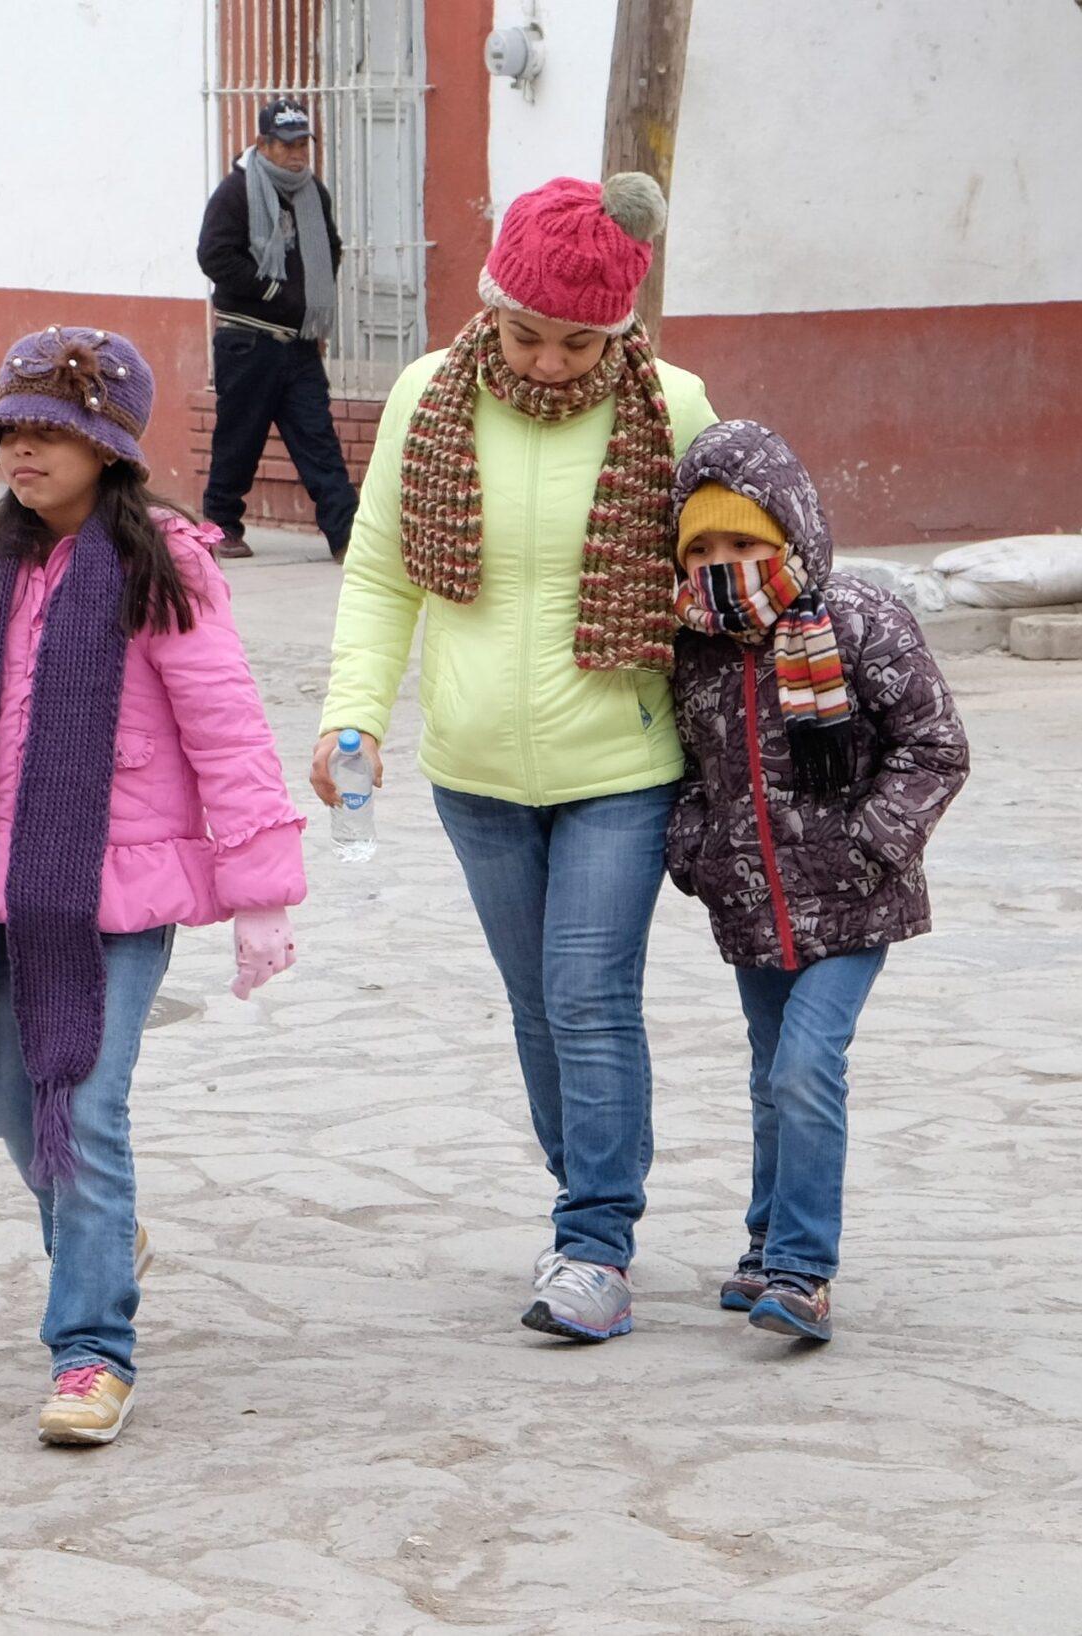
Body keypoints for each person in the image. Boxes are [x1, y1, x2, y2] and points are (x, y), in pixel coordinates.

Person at [0, 326, 306, 1445]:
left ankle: (90, 1349)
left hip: (120, 896)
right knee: (20, 1111)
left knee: (87, 1105)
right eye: (8, 430)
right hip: (2, 889)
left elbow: (227, 727)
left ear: (106, 446)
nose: (22, 451)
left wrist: (260, 892)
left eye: (48, 431)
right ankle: (101, 1236)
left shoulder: (164, 563)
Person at [311, 173, 718, 1343]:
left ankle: (594, 1238)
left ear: (621, 331)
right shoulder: (425, 398)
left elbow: (733, 553)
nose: (547, 360)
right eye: (526, 332)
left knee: (588, 993)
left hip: (622, 760)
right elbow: (382, 567)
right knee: (537, 1006)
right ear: (489, 307)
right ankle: (588, 1191)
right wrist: (356, 716)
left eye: (578, 340)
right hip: (475, 766)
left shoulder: (674, 407)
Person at [664, 420, 970, 1343]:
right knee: (770, 1076)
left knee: (805, 1067)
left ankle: (803, 1269)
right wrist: (698, 849)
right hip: (752, 908)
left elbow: (934, 746)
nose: (725, 564)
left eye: (746, 543)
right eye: (703, 547)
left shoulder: (860, 619)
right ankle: (764, 1246)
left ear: (791, 533)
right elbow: (680, 769)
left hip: (854, 901)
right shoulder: (693, 645)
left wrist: (871, 843)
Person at [197, 97, 359, 563]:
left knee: (318, 438)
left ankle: (346, 536)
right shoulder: (235, 193)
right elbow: (214, 256)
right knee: (239, 438)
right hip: (247, 339)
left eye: (302, 143)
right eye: (285, 144)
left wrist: (314, 299)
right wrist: (271, 290)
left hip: (300, 343)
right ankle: (221, 525)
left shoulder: (313, 193)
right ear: (263, 144)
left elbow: (331, 246)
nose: (296, 153)